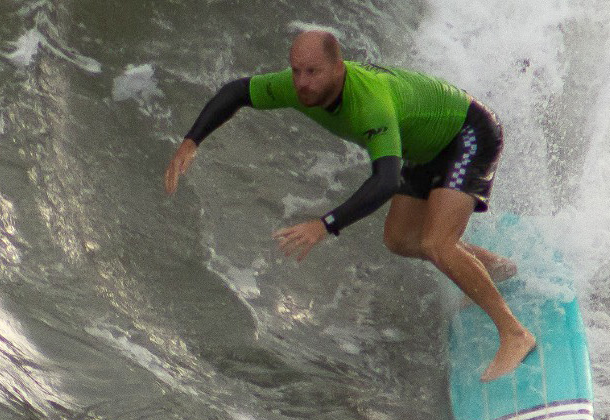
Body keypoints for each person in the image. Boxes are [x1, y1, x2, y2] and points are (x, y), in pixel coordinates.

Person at [163, 29, 536, 381]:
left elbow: (386, 181)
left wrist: (324, 225)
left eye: (313, 72)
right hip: (423, 145)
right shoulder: (297, 88)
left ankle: (514, 334)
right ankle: (492, 268)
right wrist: (191, 141)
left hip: (467, 133)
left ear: (338, 68)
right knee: (401, 240)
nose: (302, 82)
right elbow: (238, 92)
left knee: (437, 243)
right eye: (296, 71)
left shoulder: (370, 102)